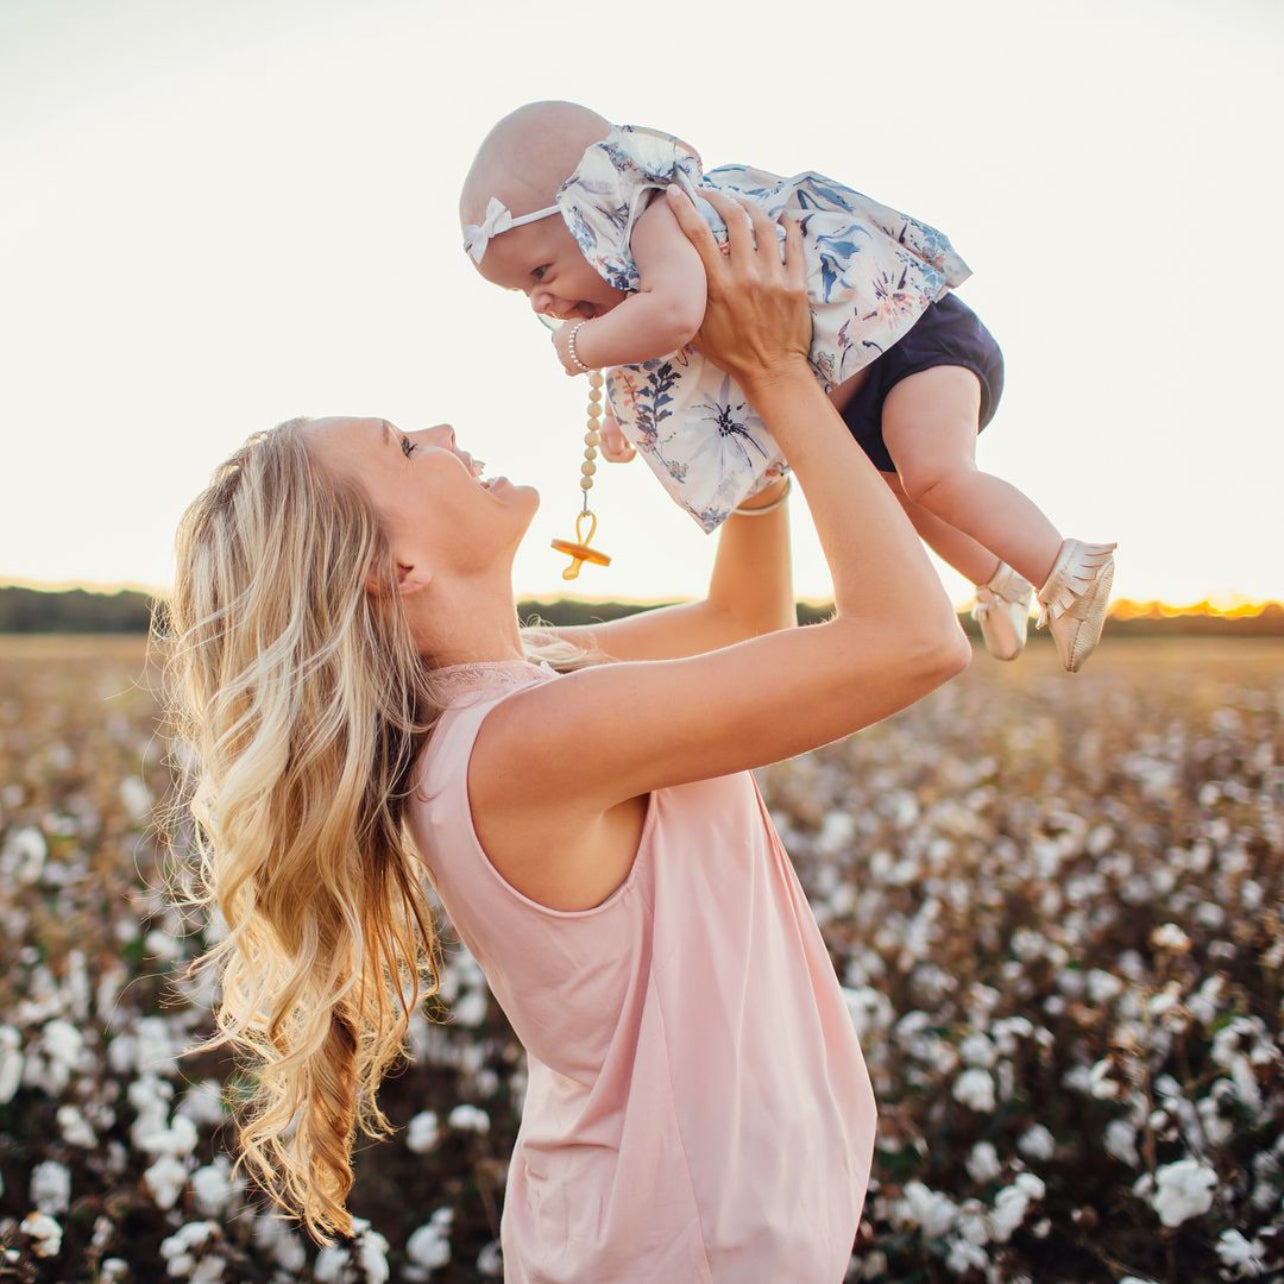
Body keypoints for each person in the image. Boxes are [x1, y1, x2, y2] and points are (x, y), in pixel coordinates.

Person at [161, 190, 970, 1281]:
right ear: (390, 568)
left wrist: (741, 433)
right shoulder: (524, 742)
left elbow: (744, 623)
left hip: (666, 1229)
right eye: (406, 446)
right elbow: (914, 640)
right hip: (684, 1246)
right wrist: (780, 373)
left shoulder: (521, 694)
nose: (446, 433)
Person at [460, 100, 1117, 672]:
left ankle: (1068, 570)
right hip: (853, 409)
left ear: (592, 202)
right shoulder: (633, 288)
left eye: (540, 271)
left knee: (936, 474)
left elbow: (675, 316)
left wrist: (577, 346)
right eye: (524, 293)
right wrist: (619, 418)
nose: (541, 301)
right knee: (911, 497)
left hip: (904, 344)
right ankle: (999, 580)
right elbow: (654, 354)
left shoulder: (656, 216)